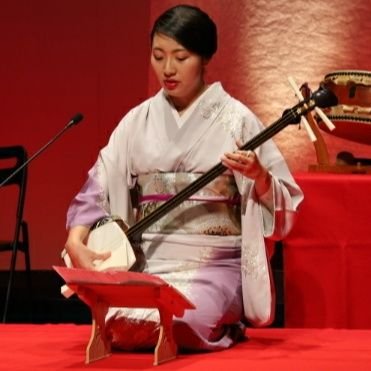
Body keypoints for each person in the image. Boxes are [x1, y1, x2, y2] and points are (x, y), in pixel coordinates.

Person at [64, 4, 303, 351]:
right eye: (158, 56)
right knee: (118, 325)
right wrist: (76, 240)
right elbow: (98, 184)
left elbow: (285, 202)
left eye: (181, 56)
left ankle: (224, 320)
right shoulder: (137, 121)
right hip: (150, 263)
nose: (168, 69)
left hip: (214, 267)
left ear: (204, 58)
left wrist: (259, 177)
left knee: (179, 322)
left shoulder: (236, 120)